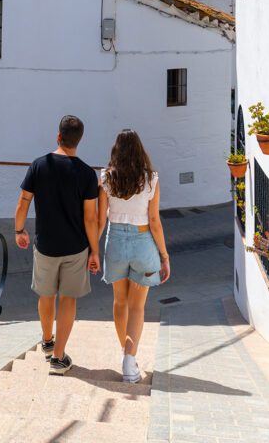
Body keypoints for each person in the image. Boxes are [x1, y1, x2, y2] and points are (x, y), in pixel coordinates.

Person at [14, 114, 100, 375]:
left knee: (46, 295)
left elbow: (23, 201)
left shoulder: (39, 165)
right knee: (69, 299)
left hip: (45, 245)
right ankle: (59, 358)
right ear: (79, 140)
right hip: (75, 247)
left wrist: (19, 230)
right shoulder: (87, 174)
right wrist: (95, 250)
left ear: (58, 136)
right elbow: (90, 217)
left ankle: (48, 341)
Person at [98, 128, 170, 383]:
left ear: (116, 150)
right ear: (140, 151)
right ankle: (130, 360)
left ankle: (126, 355)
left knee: (120, 302)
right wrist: (164, 255)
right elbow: (154, 221)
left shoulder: (106, 178)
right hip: (142, 242)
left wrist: (93, 251)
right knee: (137, 306)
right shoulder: (151, 179)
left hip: (115, 241)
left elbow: (100, 220)